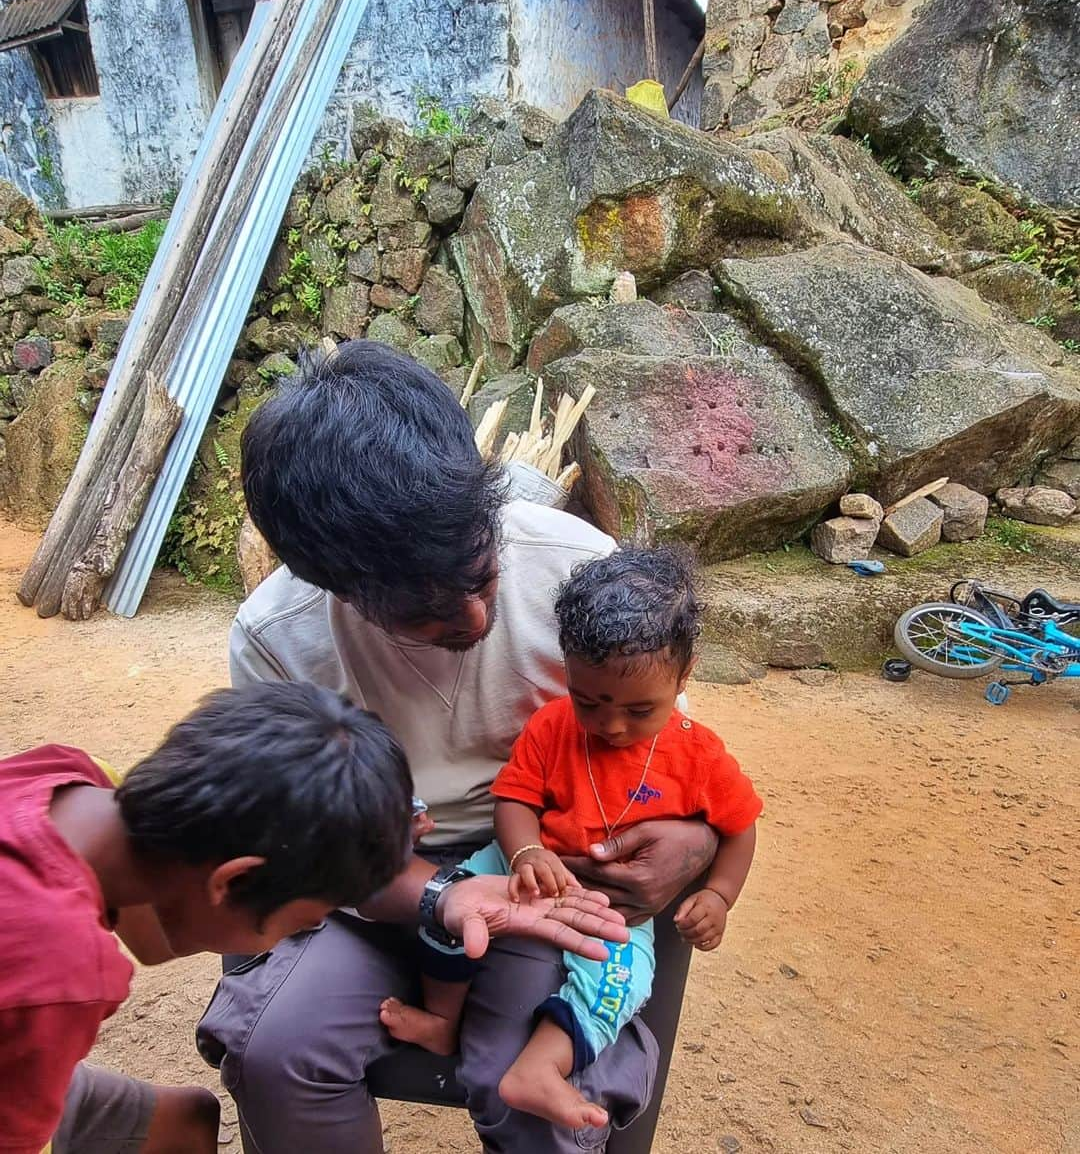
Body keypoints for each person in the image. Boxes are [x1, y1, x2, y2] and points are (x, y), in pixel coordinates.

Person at [197, 341, 724, 1153]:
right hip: (377, 889)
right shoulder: (280, 639)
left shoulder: (575, 567)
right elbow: (308, 850)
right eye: (423, 615)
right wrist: (438, 895)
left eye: (480, 577)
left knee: (536, 1078)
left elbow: (667, 755)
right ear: (332, 584)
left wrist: (692, 838)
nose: (475, 621)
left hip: (556, 873)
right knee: (281, 1052)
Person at [380, 548, 762, 1130]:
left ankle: (540, 1066)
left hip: (615, 908)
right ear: (568, 671)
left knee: (616, 983)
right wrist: (527, 851)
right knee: (446, 905)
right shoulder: (553, 725)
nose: (611, 725)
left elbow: (740, 827)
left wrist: (721, 896)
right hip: (527, 870)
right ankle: (442, 1020)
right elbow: (516, 798)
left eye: (640, 710)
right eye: (590, 701)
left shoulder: (700, 755)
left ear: (684, 677)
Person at [0, 682, 410, 1154]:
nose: (290, 939)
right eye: (299, 924)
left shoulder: (68, 774)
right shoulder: (60, 977)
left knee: (186, 1122)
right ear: (232, 882)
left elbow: (155, 945)